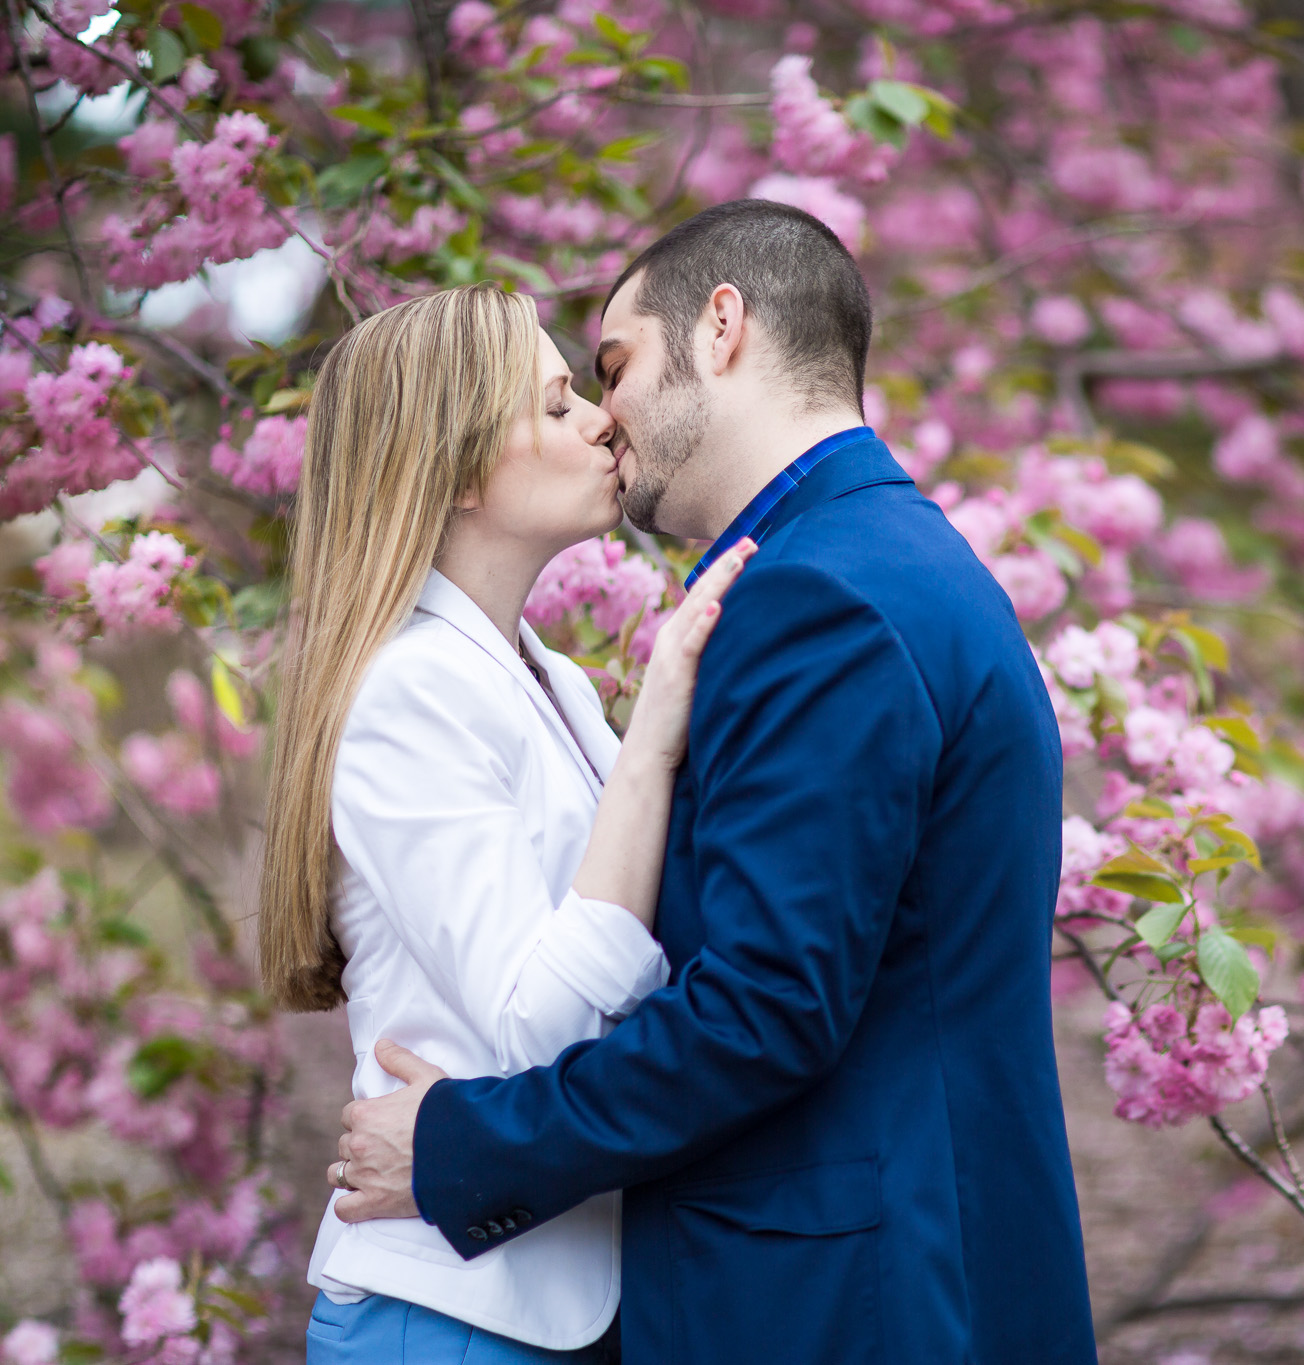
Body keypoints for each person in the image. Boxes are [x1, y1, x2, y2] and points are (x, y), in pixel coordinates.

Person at [327, 199, 1100, 1362]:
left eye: (614, 366)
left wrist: (461, 1149)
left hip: (853, 1294)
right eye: (567, 395)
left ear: (722, 328)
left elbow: (763, 1005)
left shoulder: (817, 596)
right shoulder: (882, 561)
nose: (605, 419)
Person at [259, 283, 751, 1362]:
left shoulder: (556, 684)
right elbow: (545, 1026)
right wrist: (657, 730)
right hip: (447, 1316)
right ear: (463, 468)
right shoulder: (407, 693)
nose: (600, 422)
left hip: (563, 1293)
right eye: (559, 401)